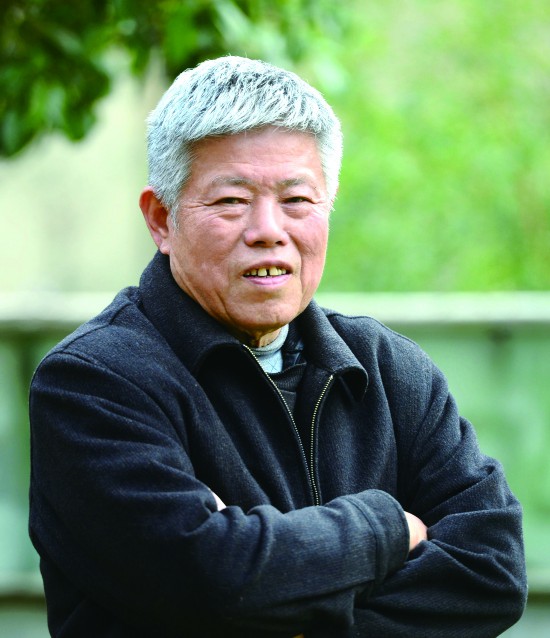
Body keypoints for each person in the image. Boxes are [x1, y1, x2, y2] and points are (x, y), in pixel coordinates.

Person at [29, 56, 527, 637]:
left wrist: (273, 585)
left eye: (297, 200)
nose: (268, 230)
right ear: (162, 219)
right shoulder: (92, 383)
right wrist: (387, 526)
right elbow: (213, 581)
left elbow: (492, 572)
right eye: (231, 201)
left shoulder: (389, 369)